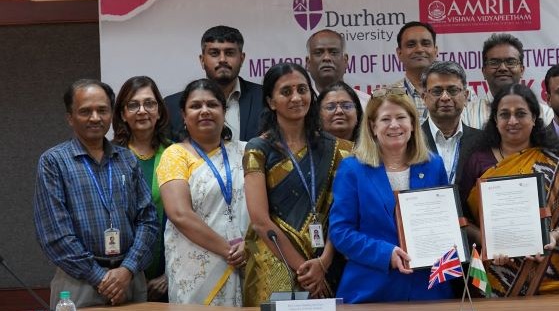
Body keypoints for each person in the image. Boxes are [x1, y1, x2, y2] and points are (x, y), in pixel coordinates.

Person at [459, 83, 559, 296]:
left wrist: (554, 236)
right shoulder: (478, 161)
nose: (512, 121)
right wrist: (489, 241)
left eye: (521, 113)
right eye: (504, 114)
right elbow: (464, 221)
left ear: (534, 119)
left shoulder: (557, 161)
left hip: (551, 274)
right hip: (495, 277)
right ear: (495, 120)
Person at [34, 79, 159, 307]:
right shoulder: (53, 162)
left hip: (129, 279)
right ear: (70, 118)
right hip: (78, 281)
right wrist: (100, 278)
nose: (95, 118)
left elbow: (148, 221)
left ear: (112, 114)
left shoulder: (127, 159)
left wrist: (127, 270)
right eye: (85, 111)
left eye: (102, 110)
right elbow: (56, 235)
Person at [242, 63, 354, 305]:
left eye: (302, 89)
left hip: (325, 259)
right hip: (274, 262)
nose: (296, 98)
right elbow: (260, 220)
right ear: (271, 102)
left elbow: (344, 213)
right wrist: (305, 270)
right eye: (286, 92)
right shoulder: (257, 149)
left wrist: (323, 262)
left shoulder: (338, 149)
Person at [329, 87, 454, 303]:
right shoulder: (352, 169)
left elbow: (446, 223)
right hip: (371, 291)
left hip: (429, 290)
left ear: (413, 124)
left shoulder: (434, 165)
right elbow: (340, 231)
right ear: (372, 126)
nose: (394, 125)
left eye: (401, 117)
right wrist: (385, 253)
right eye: (385, 119)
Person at [158, 79, 248, 306]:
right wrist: (228, 251)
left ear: (224, 110)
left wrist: (249, 246)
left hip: (247, 261)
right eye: (196, 106)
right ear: (184, 115)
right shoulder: (175, 155)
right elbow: (179, 214)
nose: (204, 111)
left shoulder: (246, 151)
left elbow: (263, 208)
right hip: (195, 270)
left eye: (212, 104)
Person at [111, 76, 171, 301]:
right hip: (120, 275)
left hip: (168, 275)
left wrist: (169, 274)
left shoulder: (176, 154)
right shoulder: (109, 158)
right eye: (133, 105)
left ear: (159, 111)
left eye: (150, 103)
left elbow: (190, 218)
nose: (142, 110)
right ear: (123, 114)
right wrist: (129, 273)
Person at [165, 25, 264, 142]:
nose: (222, 59)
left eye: (230, 53)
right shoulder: (172, 106)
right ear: (202, 60)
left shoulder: (264, 99)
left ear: (242, 59)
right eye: (214, 53)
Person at [461, 33, 554, 128]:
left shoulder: (545, 114)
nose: (503, 68)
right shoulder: (466, 116)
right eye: (494, 62)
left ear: (522, 70)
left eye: (510, 62)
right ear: (484, 71)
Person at [419, 61, 481, 184]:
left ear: (465, 95)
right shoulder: (410, 141)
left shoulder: (482, 141)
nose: (445, 97)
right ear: (424, 98)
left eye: (452, 90)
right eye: (437, 91)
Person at [385, 22, 439, 122]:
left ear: (435, 51)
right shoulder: (386, 96)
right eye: (411, 45)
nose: (419, 49)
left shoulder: (460, 92)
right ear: (399, 53)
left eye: (426, 44)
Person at [305, 29, 371, 102]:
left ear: (345, 61)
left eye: (333, 52)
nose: (326, 58)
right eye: (318, 53)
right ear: (308, 63)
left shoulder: (367, 104)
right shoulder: (300, 106)